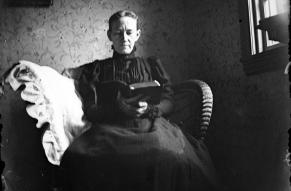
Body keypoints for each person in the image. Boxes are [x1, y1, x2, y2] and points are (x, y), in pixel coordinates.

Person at [60, 10, 219, 191]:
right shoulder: (97, 69)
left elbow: (169, 100)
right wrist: (119, 108)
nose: (124, 38)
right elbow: (91, 109)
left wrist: (150, 109)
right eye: (118, 33)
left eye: (129, 32)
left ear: (137, 34)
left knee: (167, 154)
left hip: (151, 124)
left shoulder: (152, 64)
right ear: (109, 35)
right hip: (113, 127)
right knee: (82, 158)